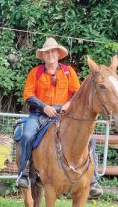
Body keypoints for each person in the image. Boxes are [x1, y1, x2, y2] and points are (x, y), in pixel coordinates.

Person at [17, 37, 103, 198]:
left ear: (58, 54)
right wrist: (45, 107)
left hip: (64, 115)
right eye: (47, 52)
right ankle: (24, 172)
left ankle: (93, 179)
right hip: (39, 113)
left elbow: (77, 93)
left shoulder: (68, 71)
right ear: (42, 56)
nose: (50, 55)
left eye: (53, 52)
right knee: (27, 135)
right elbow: (28, 94)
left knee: (89, 139)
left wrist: (69, 104)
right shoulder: (35, 73)